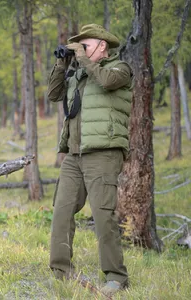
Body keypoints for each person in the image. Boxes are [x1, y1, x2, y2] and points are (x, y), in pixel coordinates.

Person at [47, 24, 133, 296]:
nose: (80, 50)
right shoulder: (79, 74)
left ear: (102, 46)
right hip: (74, 154)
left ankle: (116, 276)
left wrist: (82, 59)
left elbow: (106, 82)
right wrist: (62, 64)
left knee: (102, 215)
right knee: (61, 211)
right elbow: (53, 94)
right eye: (78, 46)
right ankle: (61, 271)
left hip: (104, 152)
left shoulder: (120, 69)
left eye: (86, 45)